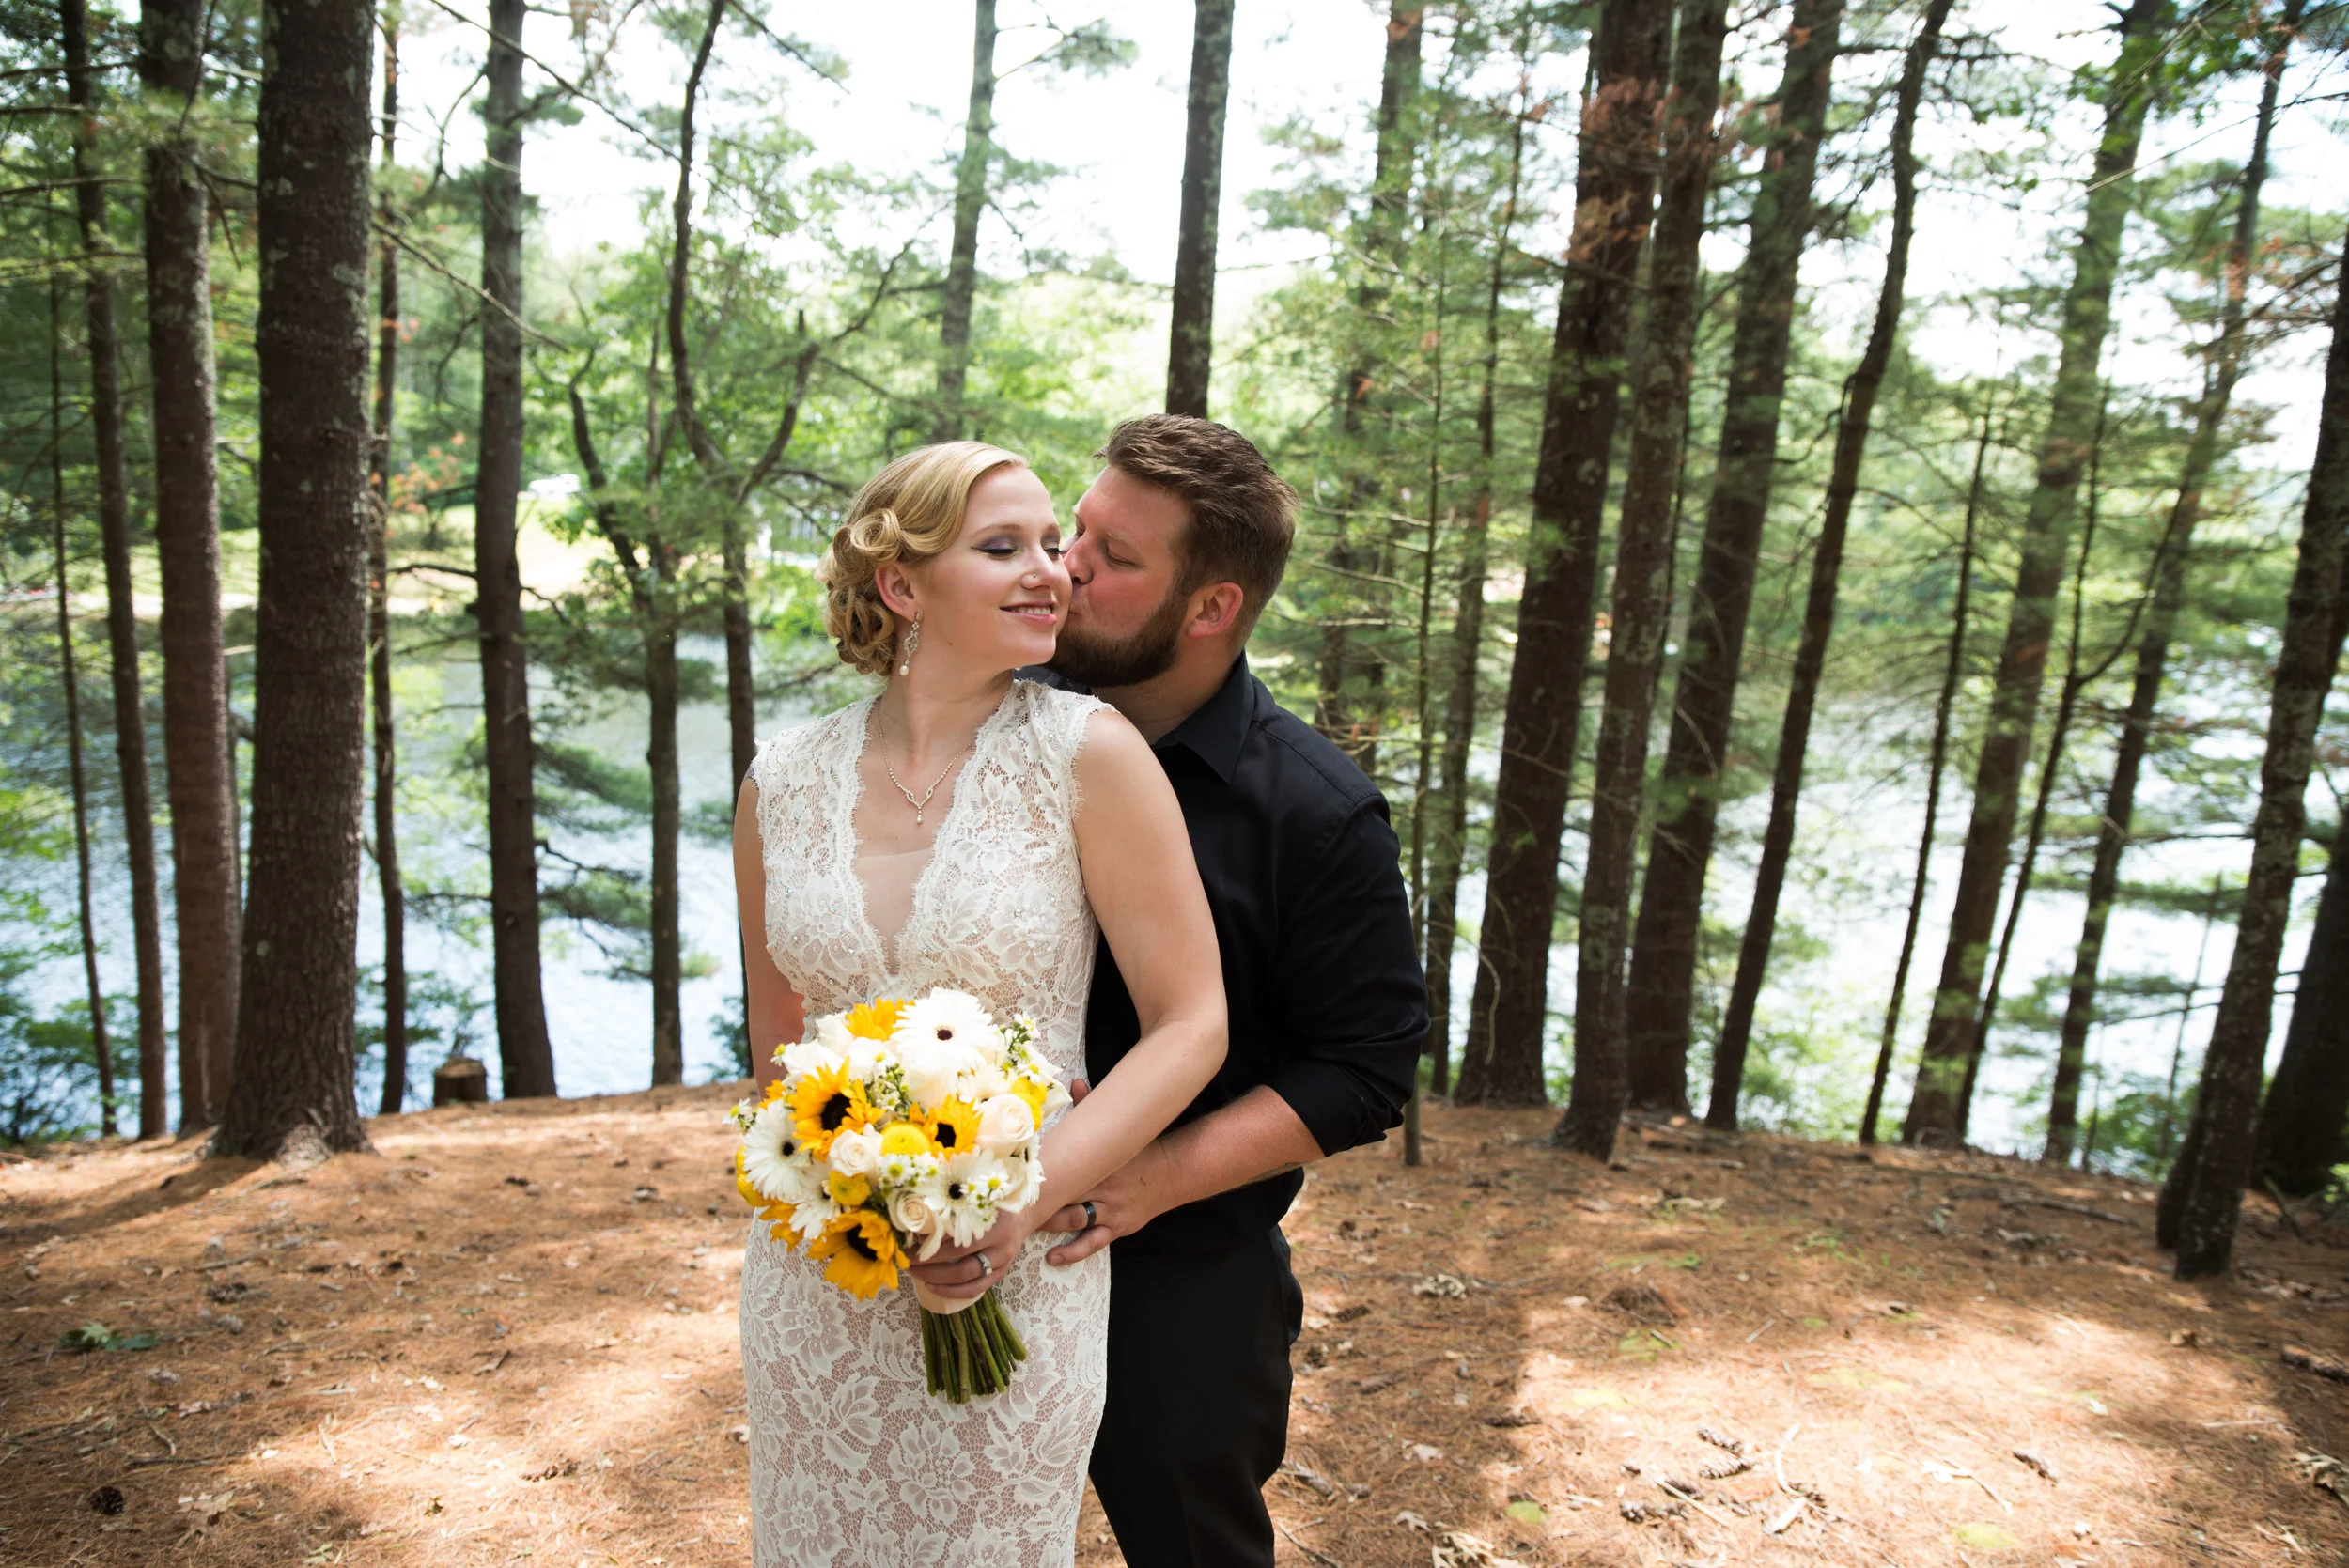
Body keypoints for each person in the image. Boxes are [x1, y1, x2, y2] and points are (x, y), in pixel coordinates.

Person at [912, 414, 1428, 1567]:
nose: (1065, 566)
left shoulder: (1314, 811)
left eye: (1113, 556)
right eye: (1071, 532)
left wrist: (1149, 1179)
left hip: (1181, 1272)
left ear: (1211, 608)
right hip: (947, 1239)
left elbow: (1365, 1065)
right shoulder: (975, 727)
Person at [732, 441, 1228, 1567]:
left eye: (1052, 545)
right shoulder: (779, 782)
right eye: (1002, 546)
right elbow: (778, 1045)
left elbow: (1193, 1023)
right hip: (826, 1283)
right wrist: (862, 1200)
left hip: (1025, 1267)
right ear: (901, 586)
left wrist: (1017, 1197)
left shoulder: (1090, 757)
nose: (1051, 569)